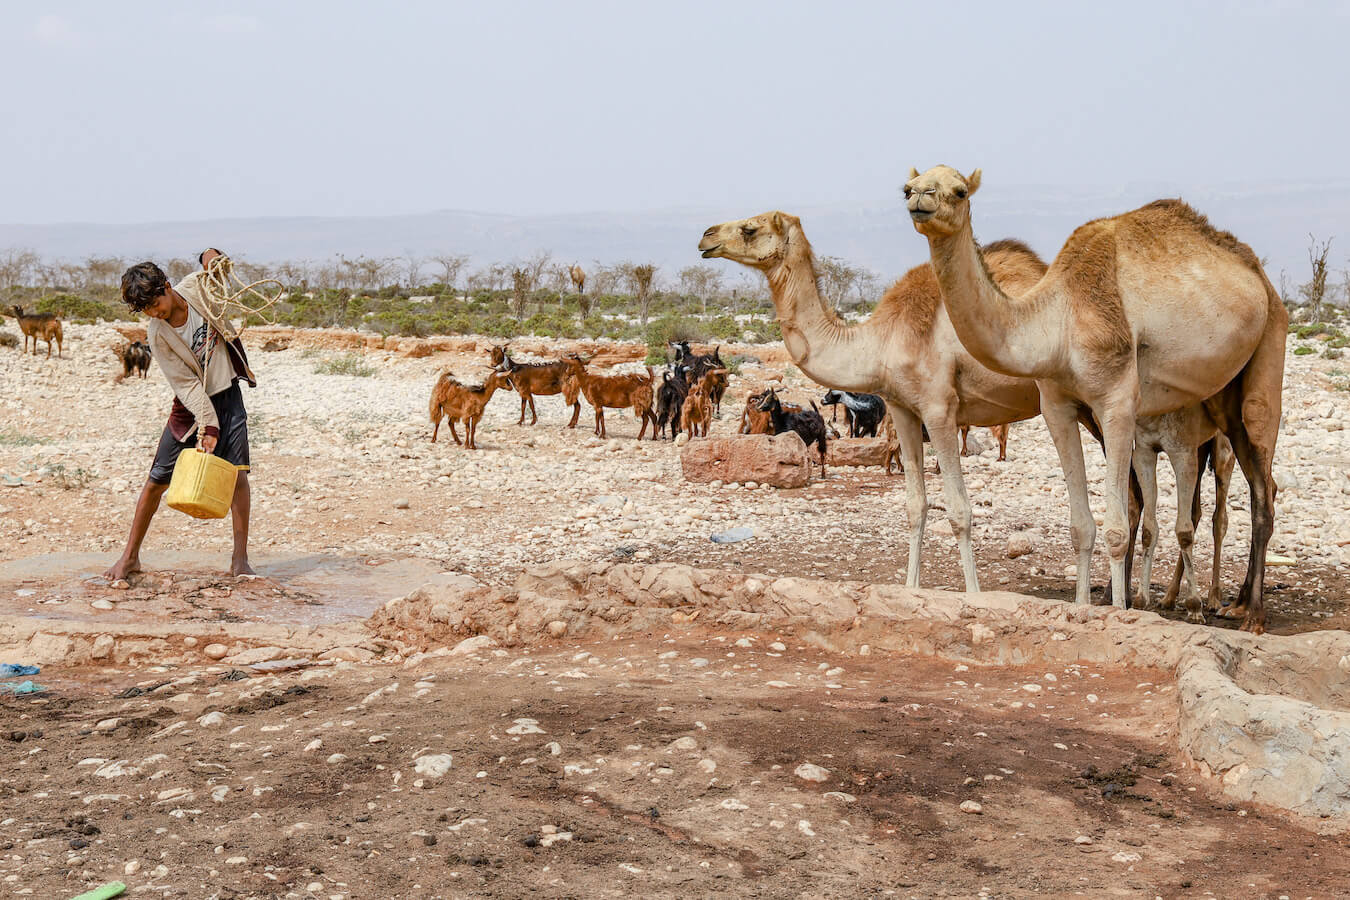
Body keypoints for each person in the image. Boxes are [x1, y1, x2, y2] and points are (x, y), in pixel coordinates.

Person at [104, 260, 258, 580]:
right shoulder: (157, 334)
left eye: (156, 304)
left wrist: (210, 254)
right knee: (157, 481)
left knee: (236, 476)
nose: (154, 313)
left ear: (168, 288)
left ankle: (240, 560)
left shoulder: (196, 289)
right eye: (145, 310)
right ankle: (130, 557)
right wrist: (208, 425)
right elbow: (186, 385)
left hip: (227, 394)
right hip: (190, 408)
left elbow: (217, 270)